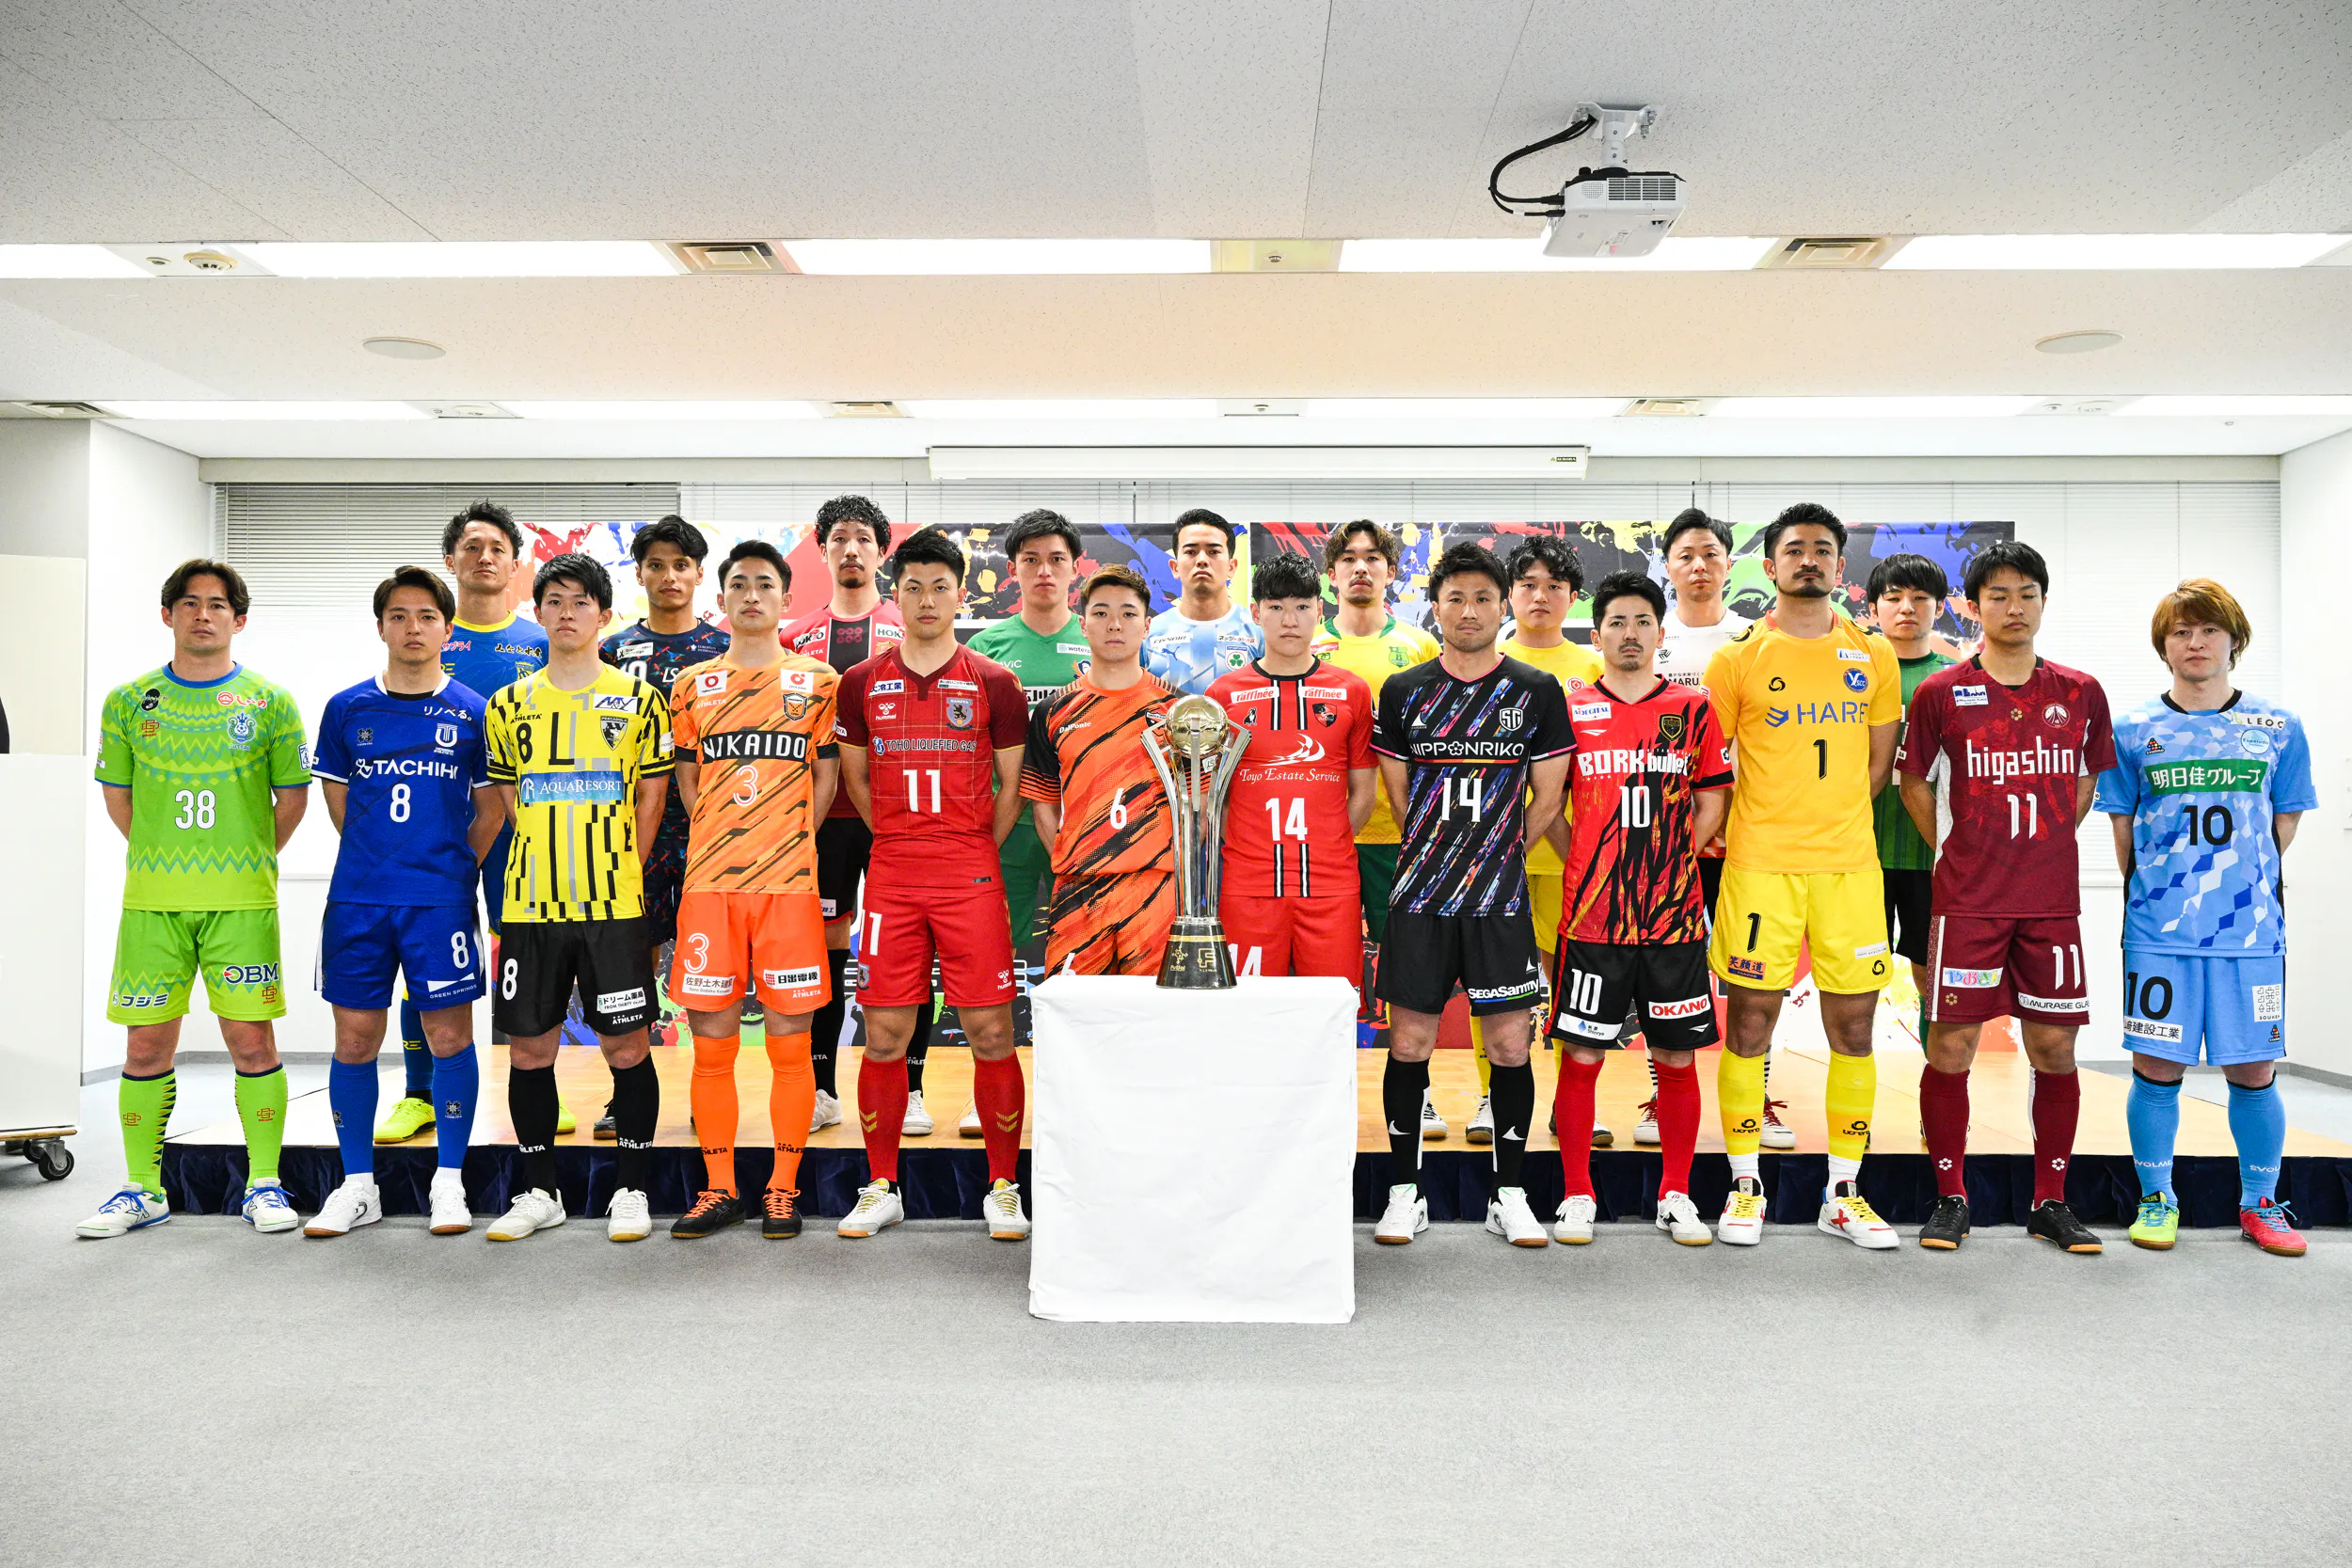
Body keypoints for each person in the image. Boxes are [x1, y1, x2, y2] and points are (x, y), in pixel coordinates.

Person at [78, 560, 311, 1238]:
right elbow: (120, 799)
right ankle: (142, 1189)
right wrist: (165, 853)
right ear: (168, 615)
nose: (202, 614)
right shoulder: (129, 701)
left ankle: (264, 1183)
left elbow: (292, 800)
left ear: (240, 619)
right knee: (146, 1044)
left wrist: (244, 858)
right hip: (152, 903)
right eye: (188, 603)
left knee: (250, 1039)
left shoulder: (269, 702)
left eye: (216, 604)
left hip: (242, 904)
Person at [1897, 541, 2114, 1253]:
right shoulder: (1941, 692)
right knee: (1952, 1044)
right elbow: (1913, 781)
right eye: (1997, 595)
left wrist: (2044, 841)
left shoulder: (2080, 691)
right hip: (1967, 902)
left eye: (2026, 594)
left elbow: (2086, 780)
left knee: (2054, 1047)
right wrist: (1955, 848)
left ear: (2044, 602)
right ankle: (1950, 1197)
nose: (2013, 607)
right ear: (1973, 607)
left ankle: (2051, 1200)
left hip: (2050, 903)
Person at [2096, 578, 2314, 1257]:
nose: (2195, 643)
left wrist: (2239, 882)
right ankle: (2156, 1199)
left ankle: (2261, 1204)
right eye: (2181, 632)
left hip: (2251, 935)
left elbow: (2284, 820)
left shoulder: (2278, 727)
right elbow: (2124, 828)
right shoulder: (2133, 730)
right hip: (2158, 933)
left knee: (2253, 1071)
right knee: (2156, 1068)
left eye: (2209, 630)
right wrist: (2165, 892)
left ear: (2234, 639)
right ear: (2163, 646)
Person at [1702, 502, 1900, 1249]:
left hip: (1849, 870)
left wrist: (1830, 822)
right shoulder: (1737, 659)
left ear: (1840, 567)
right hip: (1761, 868)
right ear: (1771, 565)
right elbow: (1712, 769)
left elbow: (1877, 768)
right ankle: (1744, 1185)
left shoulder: (1873, 654)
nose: (1809, 559)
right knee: (1750, 1022)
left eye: (1822, 549)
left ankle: (1843, 1192)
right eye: (1795, 549)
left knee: (1853, 1028)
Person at [1370, 543, 1572, 1249]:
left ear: (1503, 605)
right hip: (1420, 897)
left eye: (1483, 598)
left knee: (1511, 1046)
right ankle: (1404, 1193)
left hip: (1500, 900)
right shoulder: (1403, 691)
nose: (1469, 611)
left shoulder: (1536, 690)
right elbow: (1400, 796)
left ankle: (1508, 1194)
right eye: (1454, 598)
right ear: (1435, 608)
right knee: (1409, 1041)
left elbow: (1550, 795)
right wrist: (1443, 852)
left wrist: (1497, 853)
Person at [834, 528, 1033, 1242]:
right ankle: (881, 1185)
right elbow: (856, 782)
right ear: (896, 594)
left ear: (958, 595)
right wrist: (900, 840)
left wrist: (972, 846)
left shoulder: (994, 682)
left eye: (939, 587)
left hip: (969, 871)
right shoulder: (861, 682)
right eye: (912, 586)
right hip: (893, 872)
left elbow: (1012, 784)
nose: (926, 599)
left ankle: (1003, 1185)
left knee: (991, 1030)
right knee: (885, 1034)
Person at [480, 553, 674, 1243]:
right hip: (529, 906)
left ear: (604, 614)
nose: (567, 612)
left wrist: (617, 868)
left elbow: (651, 799)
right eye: (555, 601)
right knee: (529, 1051)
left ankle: (632, 1189)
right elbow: (510, 800)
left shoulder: (639, 699)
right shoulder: (508, 705)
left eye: (581, 601)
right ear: (537, 613)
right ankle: (540, 1191)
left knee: (626, 1047)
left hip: (613, 906)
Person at [305, 566, 501, 1237]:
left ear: (448, 630)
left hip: (439, 903)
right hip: (359, 901)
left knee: (449, 1037)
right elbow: (340, 803)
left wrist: (447, 868)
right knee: (355, 1039)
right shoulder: (346, 708)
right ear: (381, 626)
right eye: (399, 616)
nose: (412, 628)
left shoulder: (475, 712)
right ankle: (358, 1186)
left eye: (426, 616)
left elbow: (490, 810)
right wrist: (383, 858)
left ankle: (450, 1181)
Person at [1545, 572, 1733, 1245]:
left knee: (1676, 1060)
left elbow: (1713, 798)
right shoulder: (1570, 707)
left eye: (1642, 622)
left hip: (1673, 920)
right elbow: (1550, 805)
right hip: (1592, 921)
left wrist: (1676, 858)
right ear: (1597, 634)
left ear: (1660, 632)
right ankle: (1576, 1193)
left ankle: (1676, 1193)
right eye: (1617, 622)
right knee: (1581, 1056)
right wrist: (1584, 860)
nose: (1630, 634)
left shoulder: (1693, 707)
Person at [661, 542, 837, 1241]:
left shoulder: (818, 681)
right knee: (712, 1044)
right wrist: (725, 840)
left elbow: (825, 780)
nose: (753, 594)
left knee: (791, 1044)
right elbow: (687, 780)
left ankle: (783, 1189)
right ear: (722, 598)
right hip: (711, 886)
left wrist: (783, 840)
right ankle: (719, 1189)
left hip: (789, 888)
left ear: (786, 598)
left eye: (766, 584)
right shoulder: (691, 685)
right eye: (740, 584)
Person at [377, 499, 557, 1145]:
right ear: (450, 560)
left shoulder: (541, 642)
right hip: (438, 829)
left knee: (527, 958)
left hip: (520, 829)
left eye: (497, 549)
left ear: (515, 564)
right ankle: (419, 1093)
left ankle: (537, 1088)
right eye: (472, 547)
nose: (485, 558)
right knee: (423, 958)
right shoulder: (425, 635)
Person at [1642, 508, 1778, 1151]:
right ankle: (1659, 1094)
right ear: (1667, 567)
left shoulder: (1757, 640)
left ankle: (1758, 1100)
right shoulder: (1647, 637)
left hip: (1747, 837)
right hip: (1667, 839)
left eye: (1710, 555)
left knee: (1754, 974)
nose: (1698, 566)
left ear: (1729, 564)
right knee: (1665, 971)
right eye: (1685, 556)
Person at [593, 515, 730, 1134]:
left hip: (710, 832)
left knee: (709, 970)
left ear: (699, 575)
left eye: (681, 565)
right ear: (639, 573)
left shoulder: (726, 650)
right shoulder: (613, 652)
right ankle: (626, 1094)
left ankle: (710, 1093)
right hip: (633, 833)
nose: (669, 576)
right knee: (630, 967)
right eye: (656, 565)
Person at [782, 496, 914, 1135]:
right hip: (825, 817)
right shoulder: (794, 636)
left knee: (907, 944)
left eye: (864, 537)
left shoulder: (910, 628)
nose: (852, 548)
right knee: (829, 944)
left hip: (895, 818)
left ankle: (914, 1088)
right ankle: (823, 1088)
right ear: (823, 549)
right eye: (839, 537)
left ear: (882, 550)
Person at [1309, 520, 1442, 1133]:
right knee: (1326, 974)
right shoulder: (1308, 644)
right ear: (1331, 574)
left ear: (1391, 571)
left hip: (1401, 838)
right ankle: (1318, 1093)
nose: (1360, 567)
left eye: (1372, 558)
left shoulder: (1418, 646)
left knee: (1410, 972)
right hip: (1324, 838)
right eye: (1348, 558)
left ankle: (1420, 1093)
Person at [965, 509, 1089, 1136]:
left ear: (1075, 569)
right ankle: (984, 1091)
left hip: (1084, 828)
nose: (1044, 570)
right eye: (1031, 560)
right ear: (1012, 570)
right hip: (1006, 826)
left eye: (1056, 559)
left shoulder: (1100, 638)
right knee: (993, 960)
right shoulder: (985, 648)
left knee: (1085, 958)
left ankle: (1084, 1092)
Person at [1206, 551, 1375, 987]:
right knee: (1248, 1011)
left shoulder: (1352, 691)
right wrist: (1246, 844)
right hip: (1248, 887)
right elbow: (1212, 796)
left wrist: (1328, 842)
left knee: (1333, 1011)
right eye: (1276, 607)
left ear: (1320, 611)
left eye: (1301, 606)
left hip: (1331, 887)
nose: (1289, 620)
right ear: (1256, 612)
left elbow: (1363, 793)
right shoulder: (1222, 694)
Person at [1485, 535, 1603, 1147]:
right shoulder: (1483, 659)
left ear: (1572, 597)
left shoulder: (1593, 668)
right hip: (1493, 854)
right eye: (1528, 584)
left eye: (1554, 586)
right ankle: (1492, 1097)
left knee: (1570, 981)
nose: (1540, 596)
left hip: (1569, 851)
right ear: (1509, 593)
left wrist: (1576, 839)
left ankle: (1572, 1099)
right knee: (1494, 979)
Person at [1022, 565, 1182, 977]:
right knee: (1074, 1009)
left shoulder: (1177, 711)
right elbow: (1043, 805)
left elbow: (1196, 806)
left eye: (1128, 613)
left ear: (1147, 626)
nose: (1115, 624)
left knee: (1151, 1012)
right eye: (1101, 613)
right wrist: (1077, 858)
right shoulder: (1053, 711)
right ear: (1083, 624)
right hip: (1079, 890)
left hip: (1155, 890)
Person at [1867, 553, 1958, 1015]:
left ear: (1939, 607)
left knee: (1935, 982)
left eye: (1920, 598)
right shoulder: (1851, 675)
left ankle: (1936, 1063)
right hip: (1860, 856)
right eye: (1893, 597)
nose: (1907, 607)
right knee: (1856, 983)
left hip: (1933, 857)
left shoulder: (1957, 679)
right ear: (1872, 609)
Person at [1142, 508, 1263, 694]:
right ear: (1175, 567)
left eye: (1213, 551)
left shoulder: (1258, 633)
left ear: (1231, 567)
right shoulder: (1147, 635)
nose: (1202, 560)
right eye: (1191, 551)